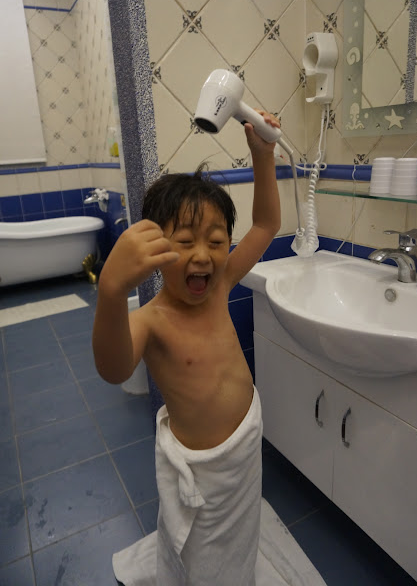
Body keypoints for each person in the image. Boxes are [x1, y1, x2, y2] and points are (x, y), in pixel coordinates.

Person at [93, 111, 282, 586]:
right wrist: (111, 291)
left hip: (242, 454)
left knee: (238, 543)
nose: (203, 255)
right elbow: (113, 369)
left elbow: (266, 224)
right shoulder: (152, 320)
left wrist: (263, 157)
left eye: (216, 241)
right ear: (156, 249)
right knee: (202, 556)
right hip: (205, 472)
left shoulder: (221, 285)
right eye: (184, 241)